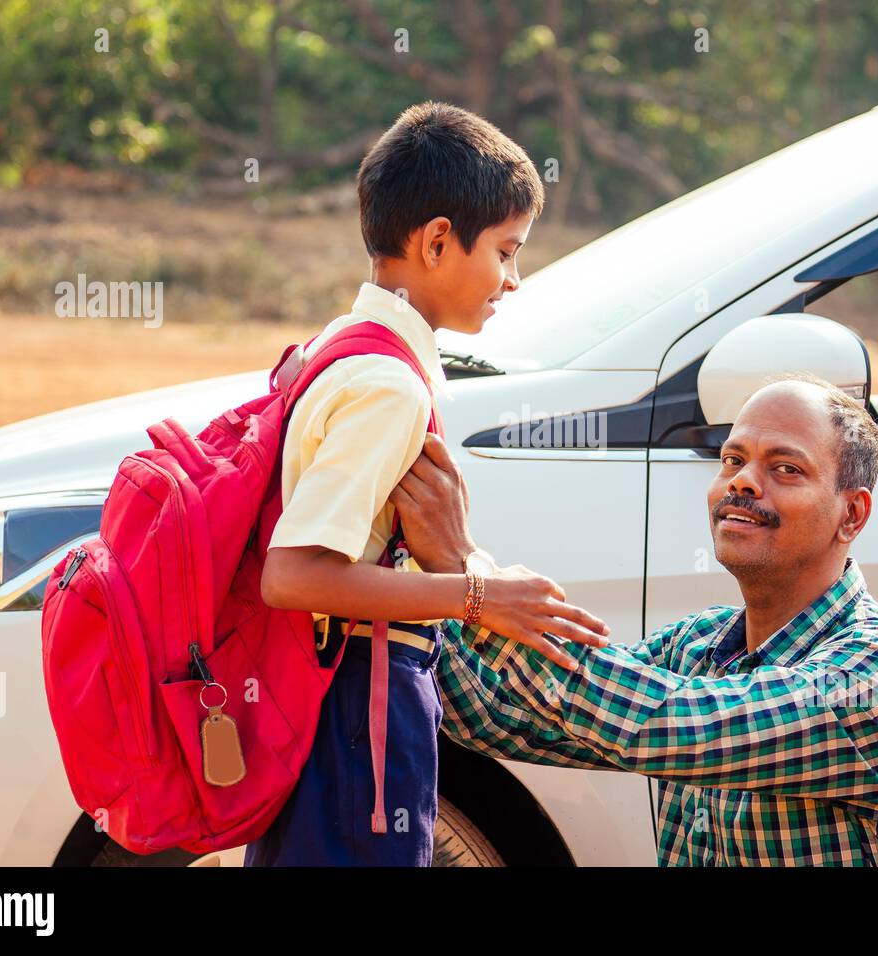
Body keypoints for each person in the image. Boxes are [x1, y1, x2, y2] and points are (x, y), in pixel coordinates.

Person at [246, 101, 609, 867]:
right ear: (438, 240)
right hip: (357, 715)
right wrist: (476, 597)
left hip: (333, 708)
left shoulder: (346, 346)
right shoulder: (388, 386)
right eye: (507, 252)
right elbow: (295, 573)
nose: (513, 281)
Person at [390, 374, 878, 865]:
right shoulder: (699, 645)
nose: (743, 482)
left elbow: (666, 724)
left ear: (851, 513)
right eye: (733, 460)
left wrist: (468, 571)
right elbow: (504, 719)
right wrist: (409, 589)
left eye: (785, 468)